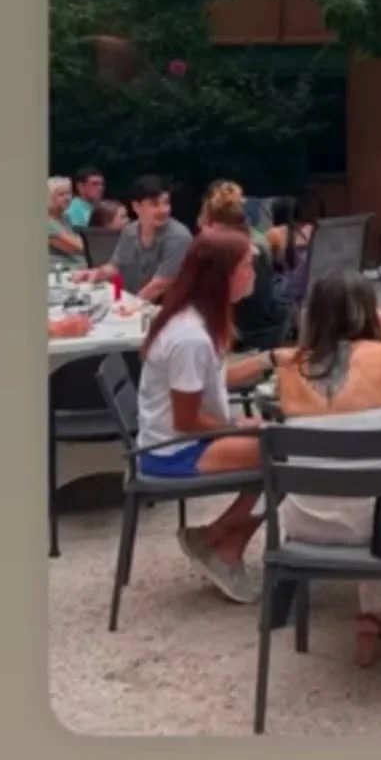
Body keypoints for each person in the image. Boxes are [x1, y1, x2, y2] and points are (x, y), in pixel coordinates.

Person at [272, 274, 381, 666]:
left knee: (364, 477)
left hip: (302, 520)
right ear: (368, 310)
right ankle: (371, 617)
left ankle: (368, 620)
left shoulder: (288, 364)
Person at [132, 230, 279, 601]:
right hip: (172, 450)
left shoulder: (195, 320)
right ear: (224, 274)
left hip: (174, 439)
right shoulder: (191, 337)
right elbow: (187, 421)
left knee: (284, 442)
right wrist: (239, 425)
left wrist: (270, 359)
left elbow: (212, 382)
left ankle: (216, 539)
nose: (254, 275)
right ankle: (219, 542)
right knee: (291, 452)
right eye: (248, 266)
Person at [73, 175, 192, 302]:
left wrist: (132, 305)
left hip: (168, 310)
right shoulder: (130, 231)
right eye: (154, 204)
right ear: (136, 207)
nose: (163, 210)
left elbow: (160, 284)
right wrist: (95, 273)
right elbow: (115, 266)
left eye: (166, 203)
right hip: (139, 303)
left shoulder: (178, 237)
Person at [199, 196, 292, 352]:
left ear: (218, 225)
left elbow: (236, 297)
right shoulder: (236, 246)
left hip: (257, 333)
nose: (201, 228)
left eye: (207, 225)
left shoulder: (251, 252)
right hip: (246, 328)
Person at [47, 177, 86, 260]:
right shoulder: (47, 223)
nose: (67, 198)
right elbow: (77, 247)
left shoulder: (66, 218)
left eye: (68, 193)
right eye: (61, 194)